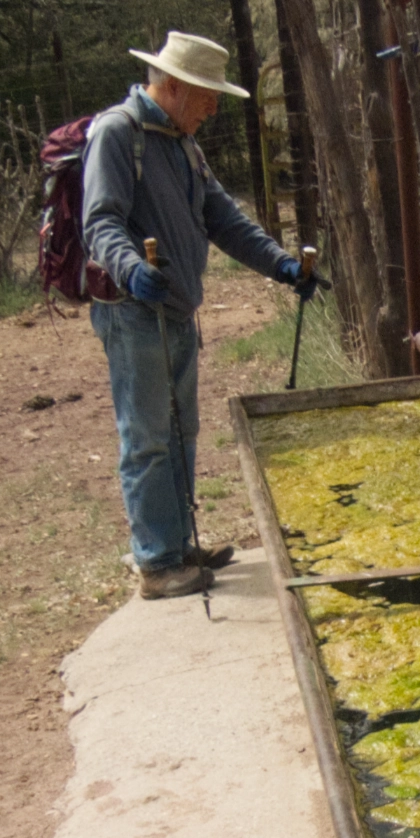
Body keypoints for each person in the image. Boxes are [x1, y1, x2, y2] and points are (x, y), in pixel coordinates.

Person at [82, 30, 315, 599]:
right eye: (208, 96)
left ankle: (179, 542)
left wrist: (280, 265)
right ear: (177, 87)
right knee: (147, 436)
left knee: (181, 429)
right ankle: (158, 564)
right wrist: (130, 267)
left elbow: (224, 220)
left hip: (178, 311)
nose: (213, 108)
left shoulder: (182, 142)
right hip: (135, 312)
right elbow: (101, 221)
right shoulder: (118, 134)